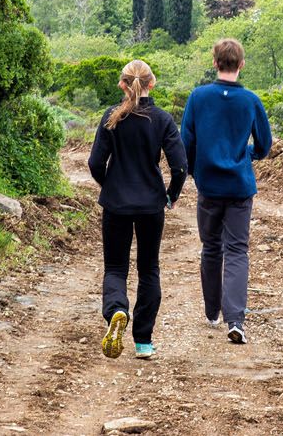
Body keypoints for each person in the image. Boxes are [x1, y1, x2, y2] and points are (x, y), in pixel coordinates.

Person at [88, 60, 187, 360]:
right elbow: (180, 166)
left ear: (122, 85)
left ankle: (117, 310)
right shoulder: (161, 119)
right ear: (151, 84)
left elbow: (95, 163)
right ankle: (143, 341)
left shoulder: (111, 116)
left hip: (116, 203)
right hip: (150, 205)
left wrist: (110, 185)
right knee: (149, 268)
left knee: (116, 268)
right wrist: (170, 195)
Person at [181, 38, 272, 344]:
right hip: (239, 186)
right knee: (237, 250)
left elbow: (186, 142)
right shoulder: (250, 101)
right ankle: (235, 320)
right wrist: (248, 155)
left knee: (210, 247)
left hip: (208, 185)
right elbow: (265, 145)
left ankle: (211, 312)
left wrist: (195, 170)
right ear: (241, 64)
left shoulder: (198, 97)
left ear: (215, 62)